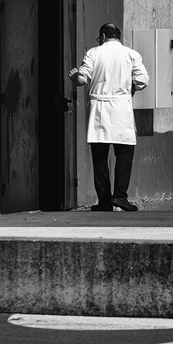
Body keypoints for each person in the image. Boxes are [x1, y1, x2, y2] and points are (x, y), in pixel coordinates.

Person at [69, 23, 149, 211]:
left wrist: (74, 78)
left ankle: (104, 200)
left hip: (99, 109)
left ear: (103, 36)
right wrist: (131, 87)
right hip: (121, 108)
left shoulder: (93, 53)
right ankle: (120, 197)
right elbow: (142, 81)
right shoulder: (131, 54)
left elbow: (82, 79)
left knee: (100, 156)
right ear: (118, 37)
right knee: (124, 154)